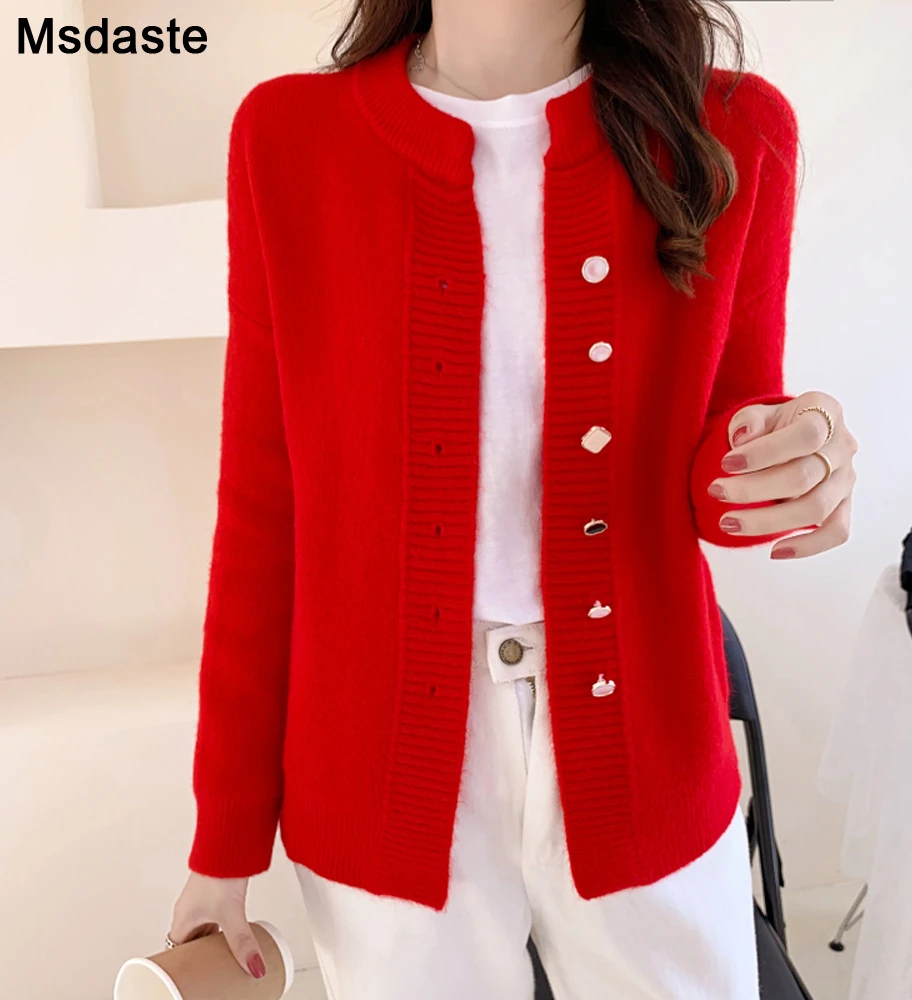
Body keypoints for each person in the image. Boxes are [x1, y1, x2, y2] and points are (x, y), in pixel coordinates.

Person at [169, 3, 858, 998]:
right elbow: (264, 503)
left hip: (646, 735)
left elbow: (725, 456)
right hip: (376, 758)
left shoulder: (733, 128)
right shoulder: (289, 138)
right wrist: (224, 840)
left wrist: (797, 459)